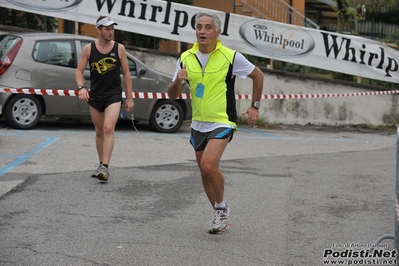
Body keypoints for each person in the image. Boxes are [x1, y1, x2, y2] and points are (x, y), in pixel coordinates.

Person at [167, 12, 264, 234]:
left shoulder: (231, 57)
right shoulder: (185, 58)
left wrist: (255, 106)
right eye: (199, 27)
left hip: (223, 120)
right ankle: (219, 213)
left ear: (217, 32)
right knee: (204, 172)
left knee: (209, 165)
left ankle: (221, 207)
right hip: (198, 122)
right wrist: (177, 81)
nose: (202, 31)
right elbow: (171, 94)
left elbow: (258, 76)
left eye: (208, 27)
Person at [75, 16, 134, 182]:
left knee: (108, 128)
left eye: (112, 28)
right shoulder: (88, 49)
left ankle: (105, 167)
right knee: (99, 130)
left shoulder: (119, 48)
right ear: (99, 30)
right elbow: (79, 72)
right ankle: (101, 164)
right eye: (107, 29)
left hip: (113, 95)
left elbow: (127, 74)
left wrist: (129, 98)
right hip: (95, 95)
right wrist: (81, 88)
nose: (110, 32)